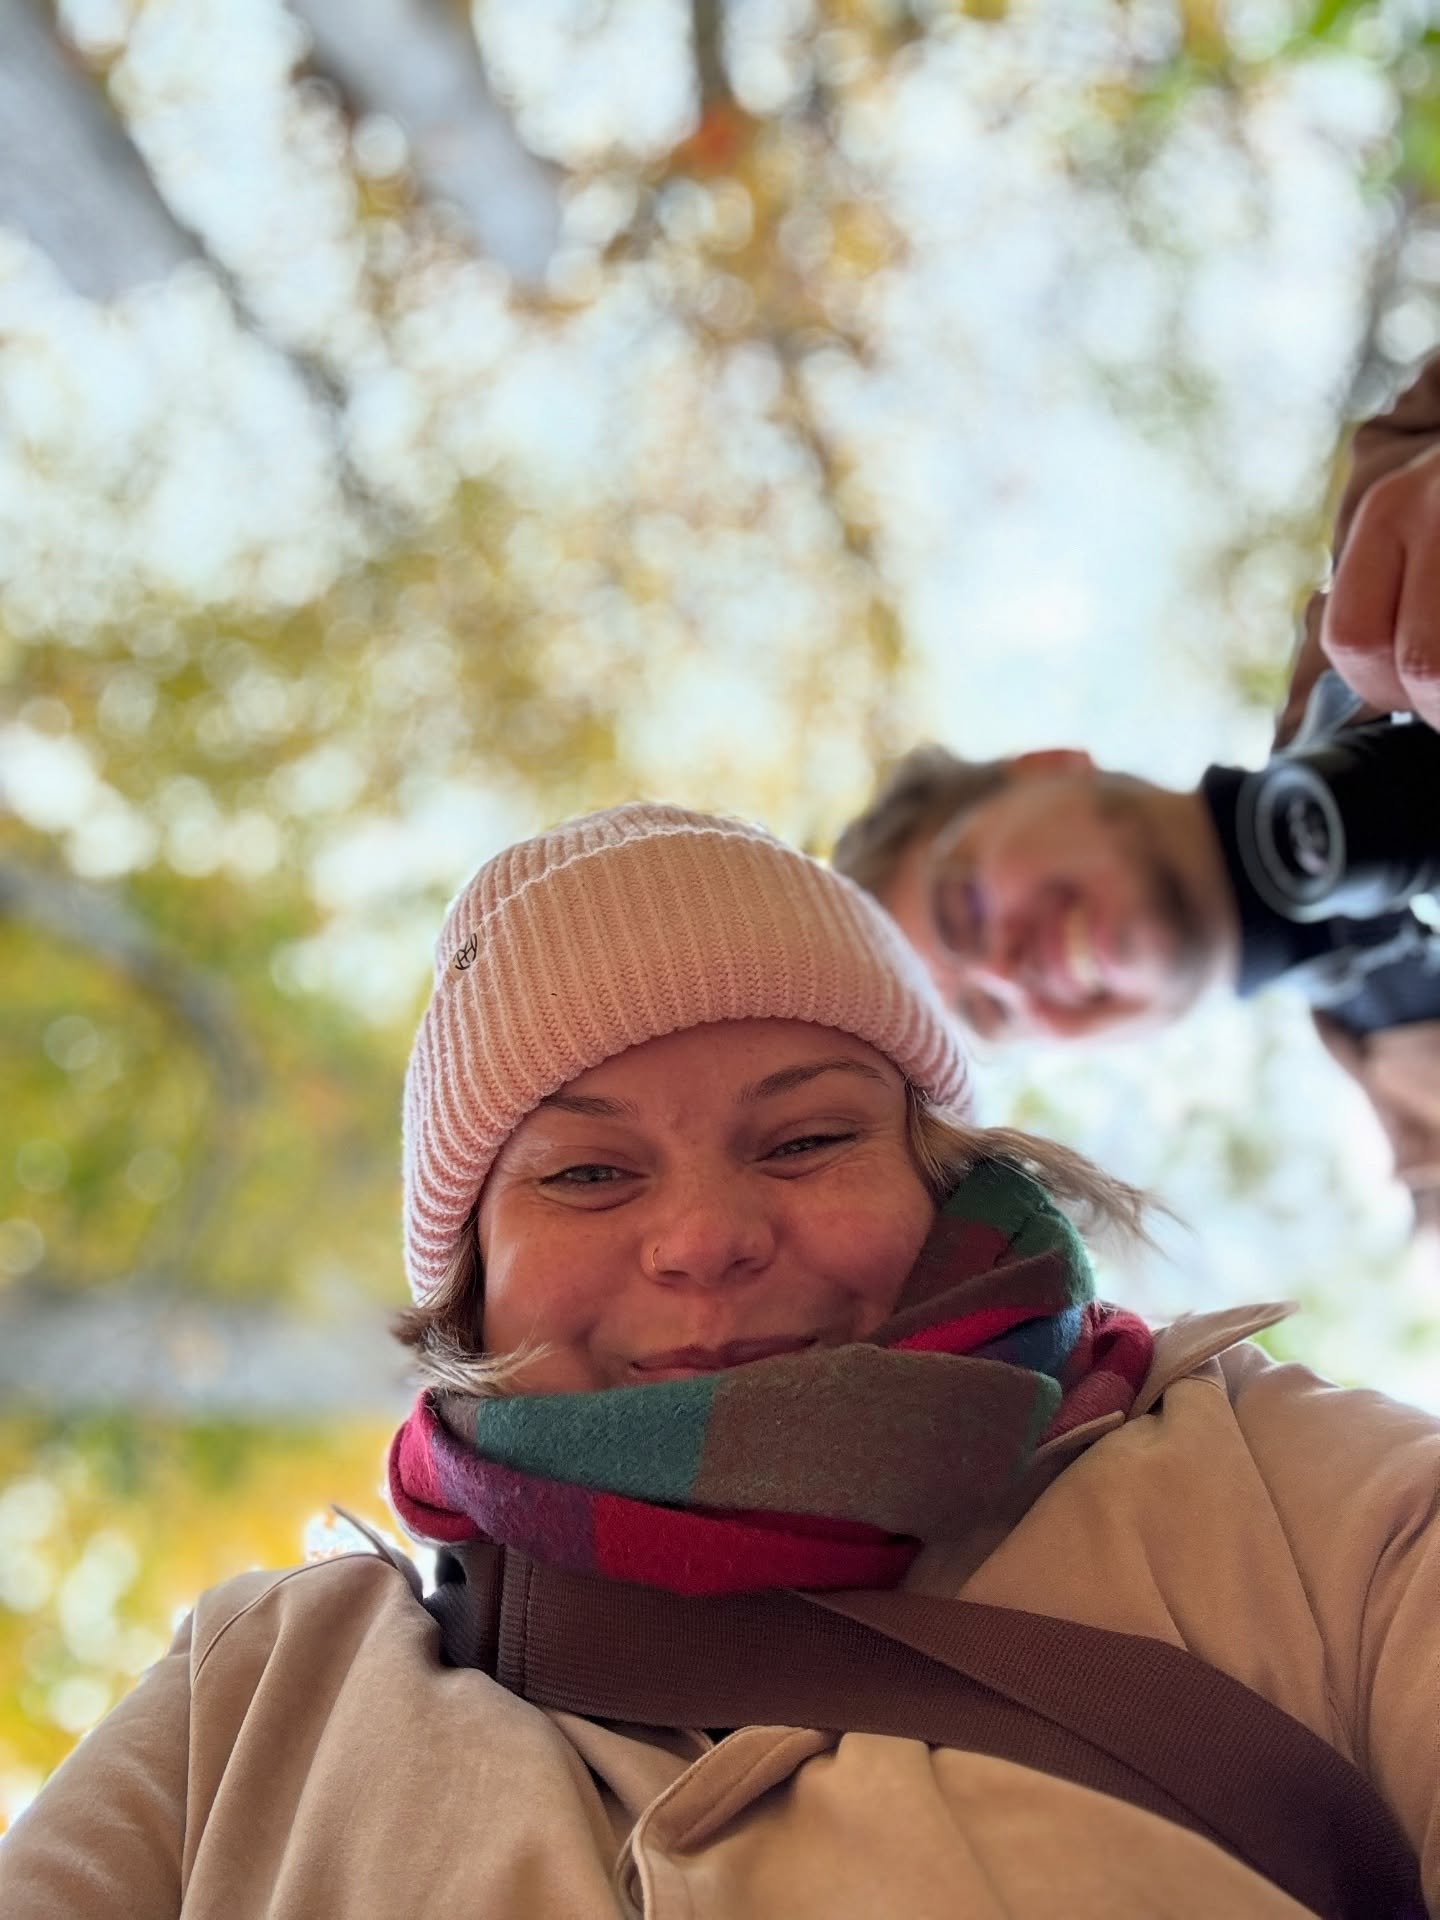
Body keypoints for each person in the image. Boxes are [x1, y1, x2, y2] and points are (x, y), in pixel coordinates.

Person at [2, 801, 1436, 1917]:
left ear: (945, 1173)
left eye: (806, 1139)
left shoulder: (1302, 1502)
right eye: (585, 1176)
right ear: (471, 1290)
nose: (703, 1239)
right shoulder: (251, 1703)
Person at [833, 353, 1440, 1227]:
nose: (1005, 972)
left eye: (964, 907)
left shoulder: (1396, 508)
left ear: (1048, 765)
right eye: (988, 1016)